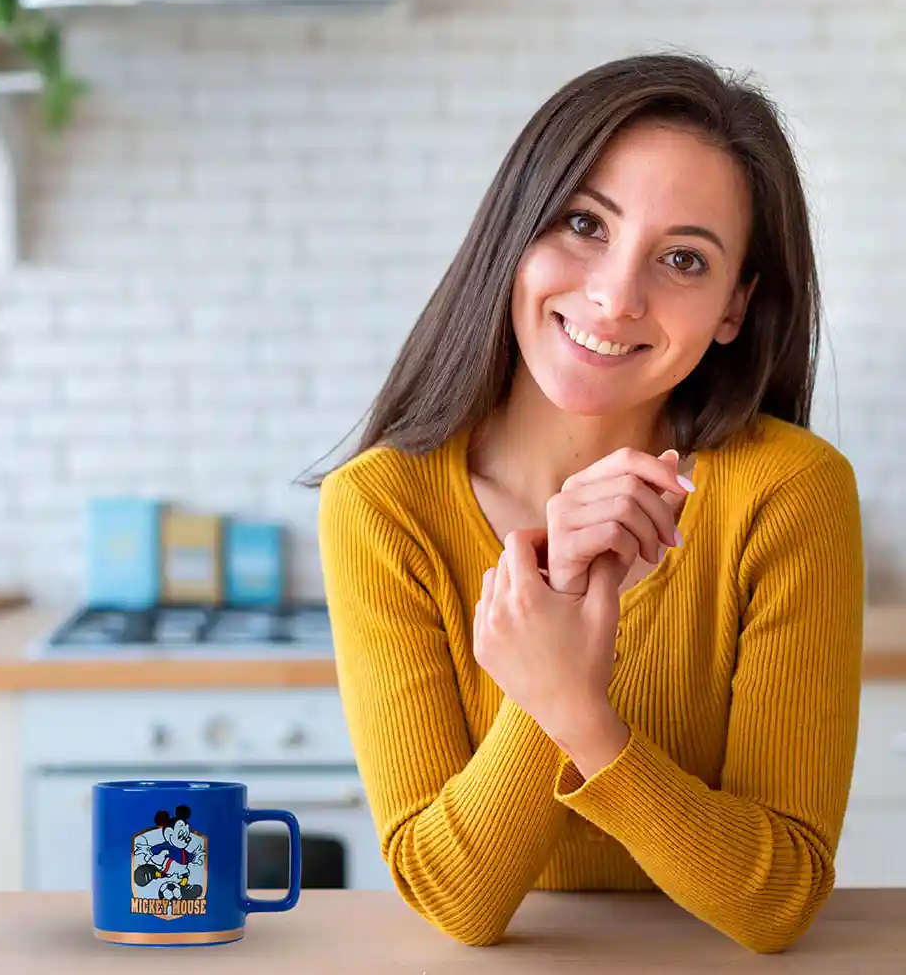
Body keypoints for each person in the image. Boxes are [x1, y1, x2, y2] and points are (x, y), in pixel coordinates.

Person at [308, 52, 864, 954]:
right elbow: (455, 902)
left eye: (684, 259)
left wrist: (578, 710)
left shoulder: (790, 494)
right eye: (583, 224)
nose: (615, 295)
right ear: (515, 233)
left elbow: (779, 901)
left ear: (735, 305)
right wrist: (552, 645)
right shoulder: (384, 505)